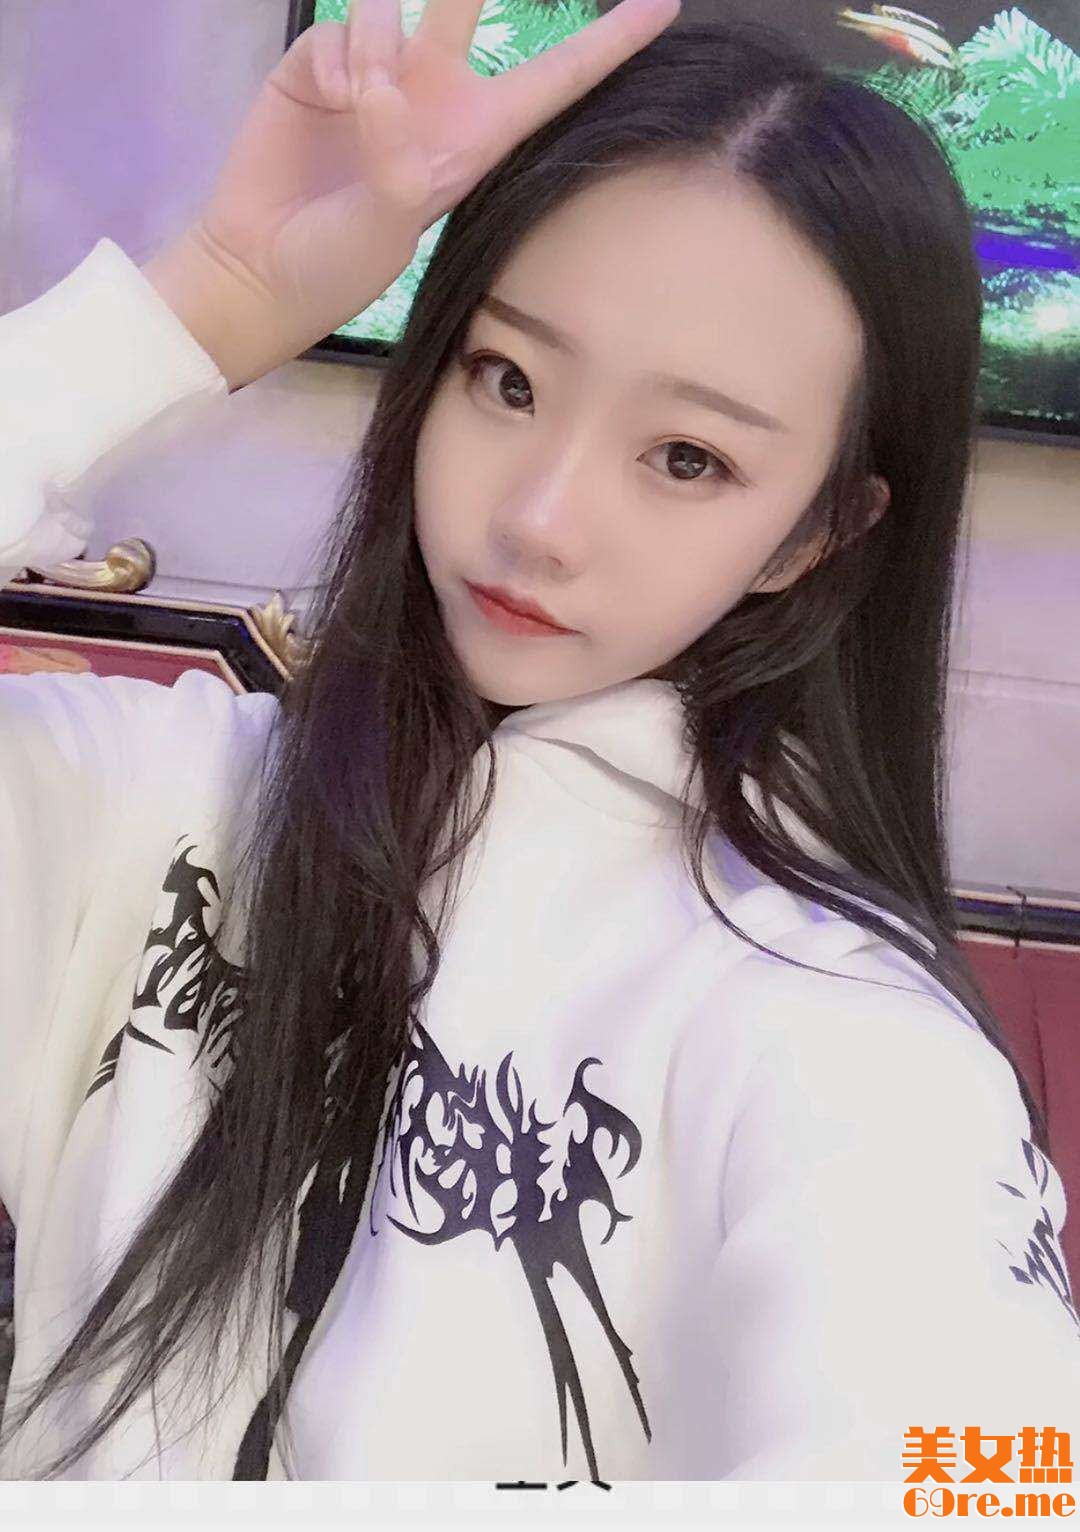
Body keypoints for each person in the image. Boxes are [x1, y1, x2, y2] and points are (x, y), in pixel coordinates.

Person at [0, 0, 1077, 1484]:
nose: (539, 519)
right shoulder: (154, 797)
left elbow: (995, 1469)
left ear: (815, 533)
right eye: (506, 380)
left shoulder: (830, 1036)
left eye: (687, 457)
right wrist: (204, 303)